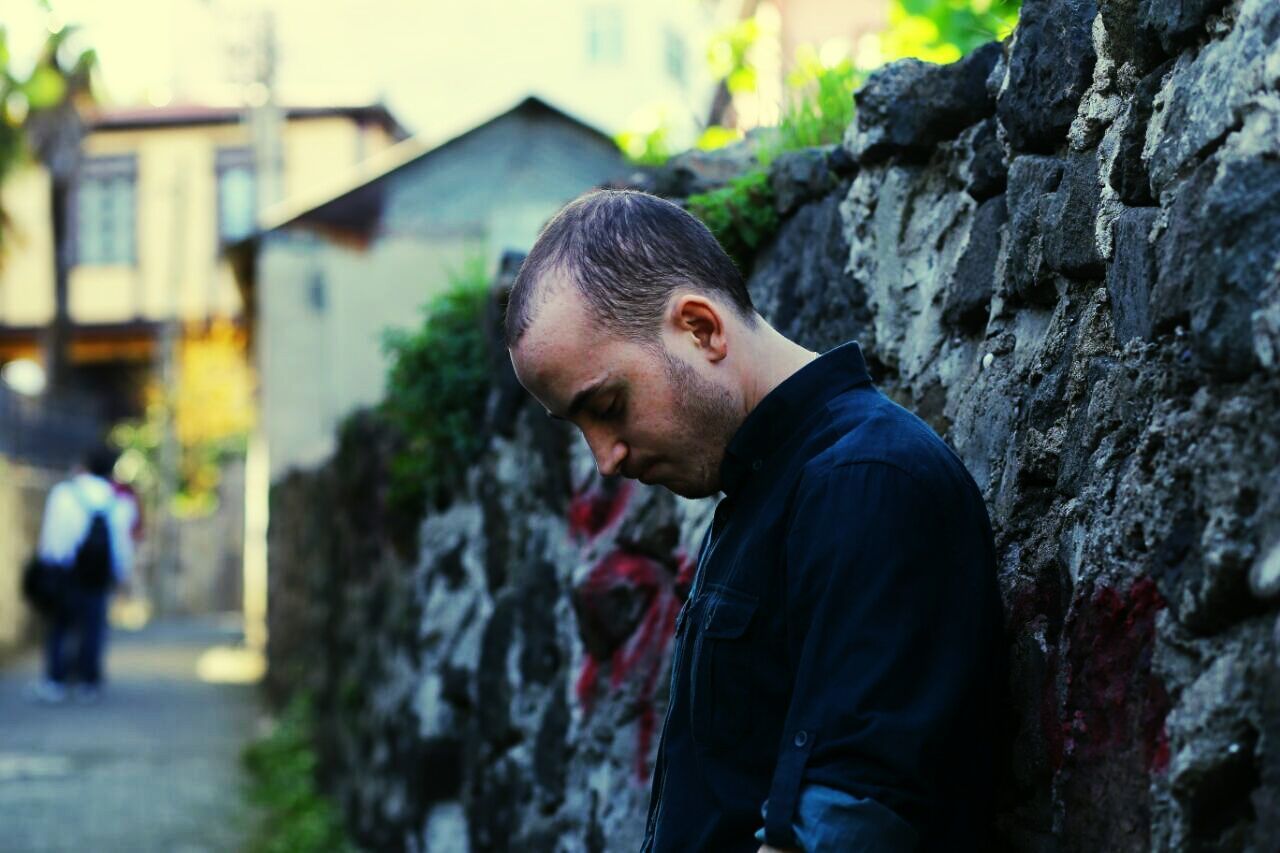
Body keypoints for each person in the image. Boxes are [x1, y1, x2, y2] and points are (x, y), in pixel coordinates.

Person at [505, 190, 1005, 852]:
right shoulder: (763, 490)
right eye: (581, 425)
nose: (604, 458)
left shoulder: (866, 480)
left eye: (608, 405)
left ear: (702, 328)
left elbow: (844, 823)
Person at [28, 444, 135, 704]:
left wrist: (45, 568)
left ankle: (55, 681)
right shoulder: (119, 501)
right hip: (98, 575)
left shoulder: (64, 494)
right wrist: (121, 576)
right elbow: (121, 545)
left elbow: (51, 538)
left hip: (65, 572)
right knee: (93, 628)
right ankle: (89, 683)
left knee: (60, 627)